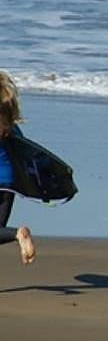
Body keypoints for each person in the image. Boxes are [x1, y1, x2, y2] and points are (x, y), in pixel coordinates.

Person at [0, 72, 37, 265]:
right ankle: (18, 234)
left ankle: (17, 233)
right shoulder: (12, 129)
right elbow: (26, 151)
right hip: (9, 184)